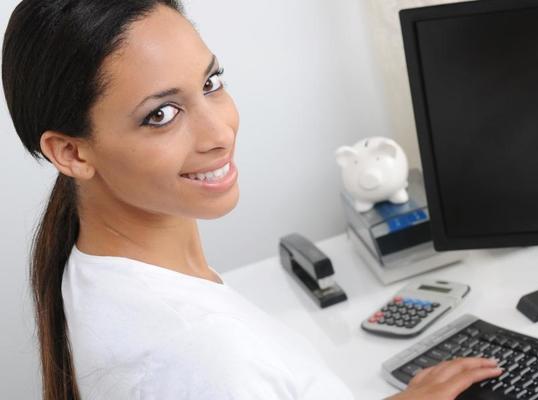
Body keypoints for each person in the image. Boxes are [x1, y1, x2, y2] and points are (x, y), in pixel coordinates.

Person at [2, 1, 503, 399]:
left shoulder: (96, 270)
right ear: (70, 152)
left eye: (211, 83)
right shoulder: (205, 355)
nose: (219, 131)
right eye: (162, 115)